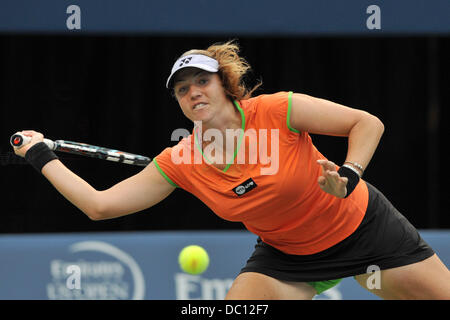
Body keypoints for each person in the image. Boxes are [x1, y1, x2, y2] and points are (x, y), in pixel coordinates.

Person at [14, 40, 450, 300]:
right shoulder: (181, 160)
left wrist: (351, 174)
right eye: (182, 90)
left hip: (366, 232)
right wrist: (40, 156)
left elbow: (366, 122)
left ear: (223, 83)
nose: (193, 93)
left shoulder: (277, 110)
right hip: (289, 259)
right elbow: (100, 206)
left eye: (201, 81)